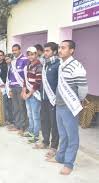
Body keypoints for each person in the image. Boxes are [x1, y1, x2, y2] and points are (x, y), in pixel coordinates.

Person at [48, 40, 88, 175]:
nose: (60, 50)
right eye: (59, 48)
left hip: (70, 106)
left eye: (63, 48)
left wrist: (79, 101)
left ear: (71, 50)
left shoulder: (76, 66)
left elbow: (83, 88)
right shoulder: (61, 65)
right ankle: (60, 157)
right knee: (63, 134)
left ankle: (69, 163)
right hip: (59, 105)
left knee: (72, 136)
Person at [33, 42, 60, 157]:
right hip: (43, 98)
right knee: (44, 120)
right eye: (45, 51)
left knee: (54, 123)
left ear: (54, 52)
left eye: (48, 51)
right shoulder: (46, 64)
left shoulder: (58, 64)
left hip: (53, 100)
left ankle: (54, 147)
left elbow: (60, 84)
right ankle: (45, 142)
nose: (45, 53)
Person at [21, 47, 42, 143]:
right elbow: (25, 80)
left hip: (35, 94)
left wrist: (29, 93)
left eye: (32, 54)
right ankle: (30, 131)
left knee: (35, 116)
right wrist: (24, 91)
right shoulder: (29, 65)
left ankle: (36, 135)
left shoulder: (39, 66)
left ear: (36, 54)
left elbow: (38, 83)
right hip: (28, 94)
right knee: (29, 114)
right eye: (28, 54)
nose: (30, 56)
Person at [7, 44, 29, 135]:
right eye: (13, 50)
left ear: (20, 50)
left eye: (16, 50)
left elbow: (26, 75)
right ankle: (17, 125)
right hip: (13, 87)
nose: (14, 52)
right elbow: (10, 75)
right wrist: (10, 88)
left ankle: (23, 127)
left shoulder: (25, 60)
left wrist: (24, 88)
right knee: (15, 107)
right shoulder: (13, 61)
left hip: (21, 87)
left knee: (22, 107)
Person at [0, 50, 13, 125]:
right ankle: (2, 118)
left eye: (1, 55)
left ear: (3, 57)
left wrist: (5, 83)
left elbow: (8, 76)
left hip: (5, 88)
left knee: (6, 105)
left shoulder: (5, 65)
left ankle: (8, 120)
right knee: (1, 104)